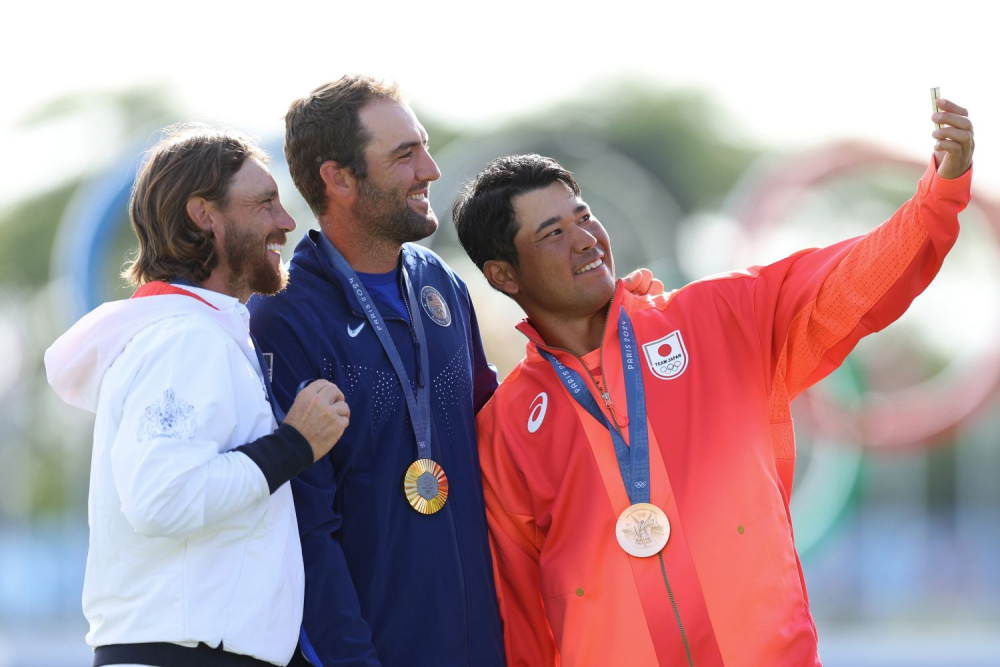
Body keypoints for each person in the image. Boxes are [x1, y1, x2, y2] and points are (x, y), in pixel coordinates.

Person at [452, 100, 974, 666]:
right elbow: (520, 614)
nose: (585, 239)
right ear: (503, 274)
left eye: (583, 216)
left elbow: (853, 281)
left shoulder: (717, 317)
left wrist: (939, 192)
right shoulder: (505, 428)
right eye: (552, 232)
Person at [44, 124, 350, 667]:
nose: (286, 222)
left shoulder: (193, 332)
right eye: (265, 204)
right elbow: (163, 499)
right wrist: (296, 444)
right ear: (204, 215)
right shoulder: (186, 338)